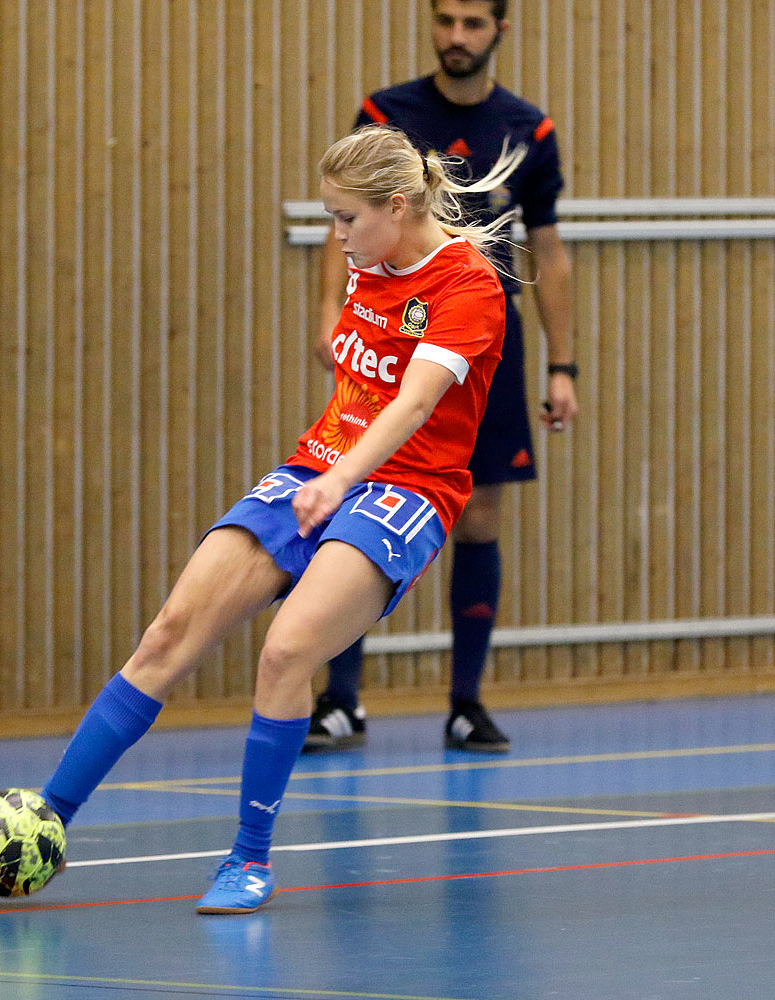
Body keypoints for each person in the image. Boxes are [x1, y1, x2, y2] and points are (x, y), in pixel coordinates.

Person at [0, 125, 525, 914]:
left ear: (396, 206)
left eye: (348, 218)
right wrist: (323, 472)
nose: (337, 235)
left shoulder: (468, 285)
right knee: (168, 634)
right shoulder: (367, 257)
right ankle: (46, 821)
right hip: (318, 466)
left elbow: (416, 403)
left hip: (408, 489)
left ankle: (249, 861)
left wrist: (342, 482)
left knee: (286, 652)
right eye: (331, 217)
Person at [304, 0, 578, 756]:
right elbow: (351, 222)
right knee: (356, 495)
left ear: (500, 31)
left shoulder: (531, 129)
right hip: (394, 340)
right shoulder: (386, 114)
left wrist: (563, 364)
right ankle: (341, 701)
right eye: (445, 20)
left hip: (483, 347)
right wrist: (330, 309)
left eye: (473, 24)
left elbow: (547, 253)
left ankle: (465, 701)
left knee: (480, 514)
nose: (456, 36)